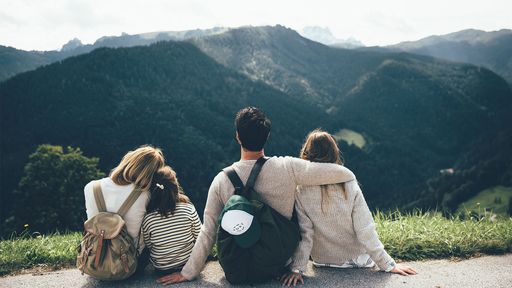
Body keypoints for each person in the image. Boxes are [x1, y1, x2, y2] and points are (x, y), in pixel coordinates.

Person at [156, 107, 356, 285]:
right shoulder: (288, 167)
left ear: (238, 137)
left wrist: (187, 273)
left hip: (236, 267)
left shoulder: (222, 180)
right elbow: (339, 173)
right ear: (267, 136)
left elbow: (207, 231)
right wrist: (350, 175)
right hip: (277, 262)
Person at [280, 130, 417, 287]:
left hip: (323, 260)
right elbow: (364, 229)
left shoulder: (301, 190)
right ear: (334, 153)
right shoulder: (348, 184)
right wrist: (388, 265)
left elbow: (306, 234)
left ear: (306, 153)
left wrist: (297, 269)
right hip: (357, 260)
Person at [84, 145, 165, 246]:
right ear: (151, 175)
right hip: (128, 258)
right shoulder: (145, 195)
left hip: (93, 255)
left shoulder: (91, 187)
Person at [141, 165, 202, 274]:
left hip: (162, 269)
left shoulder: (148, 218)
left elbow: (149, 245)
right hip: (187, 264)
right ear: (176, 187)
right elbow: (199, 236)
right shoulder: (188, 209)